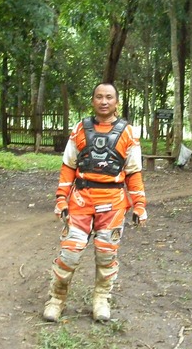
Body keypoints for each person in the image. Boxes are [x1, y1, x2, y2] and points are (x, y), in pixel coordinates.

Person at [43, 82, 148, 323]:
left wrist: (139, 204)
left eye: (109, 97)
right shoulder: (80, 129)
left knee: (106, 254)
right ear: (93, 101)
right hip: (81, 201)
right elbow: (68, 166)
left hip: (113, 204)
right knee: (70, 254)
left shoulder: (128, 133)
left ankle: (101, 299)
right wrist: (61, 199)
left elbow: (133, 172)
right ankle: (56, 300)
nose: (104, 101)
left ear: (116, 102)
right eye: (99, 97)